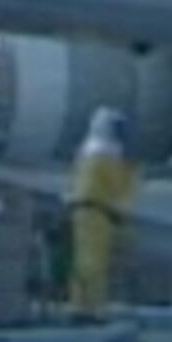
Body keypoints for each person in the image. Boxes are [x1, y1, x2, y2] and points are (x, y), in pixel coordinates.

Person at [63, 107, 139, 316]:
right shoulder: (105, 154)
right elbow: (117, 189)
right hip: (96, 211)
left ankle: (80, 304)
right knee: (93, 262)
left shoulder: (88, 150)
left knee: (85, 260)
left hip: (86, 210)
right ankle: (91, 307)